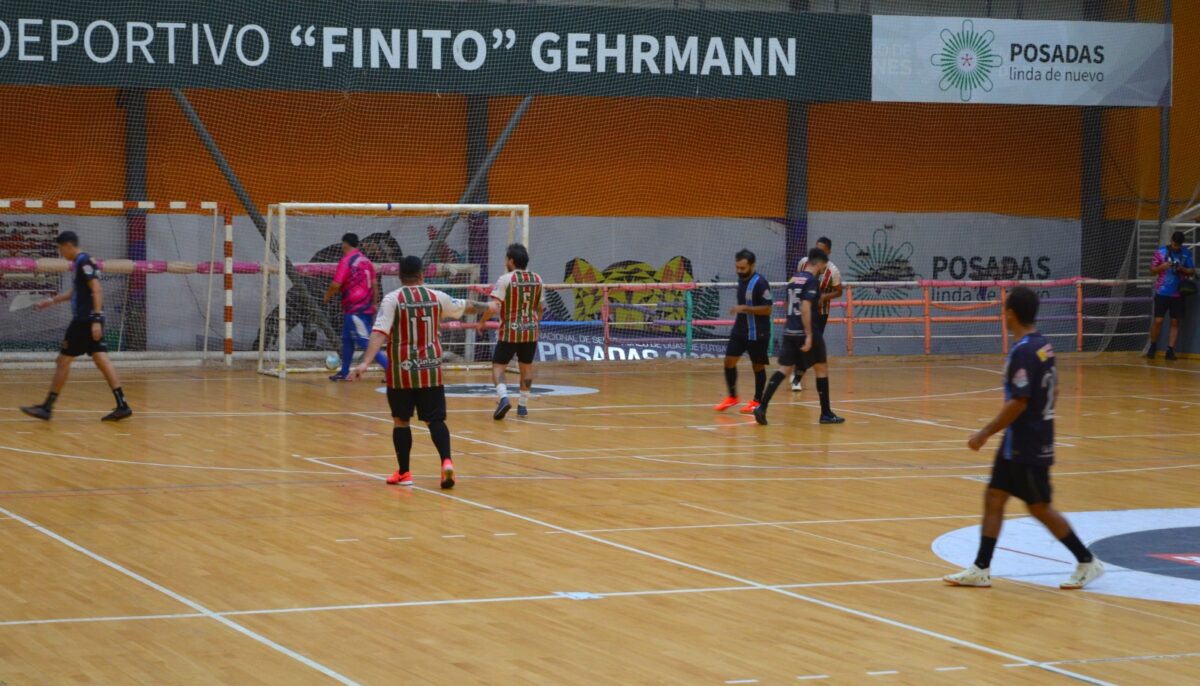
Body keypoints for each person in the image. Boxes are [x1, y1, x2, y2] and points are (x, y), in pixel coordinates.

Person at [944, 286, 1104, 590]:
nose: (1002, 315)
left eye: (1004, 310)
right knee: (994, 496)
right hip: (1018, 441)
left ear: (1011, 314)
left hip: (1026, 443)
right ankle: (981, 567)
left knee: (1039, 506)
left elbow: (1019, 402)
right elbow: (1054, 391)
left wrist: (984, 433)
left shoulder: (1024, 351)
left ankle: (1086, 560)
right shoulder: (1044, 346)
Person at [350, 255, 478, 489]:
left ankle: (405, 472)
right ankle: (446, 461)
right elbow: (467, 305)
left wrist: (365, 363)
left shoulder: (392, 299)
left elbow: (379, 333)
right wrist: (489, 307)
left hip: (402, 372)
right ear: (422, 275)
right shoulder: (436, 297)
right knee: (435, 420)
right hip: (430, 370)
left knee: (401, 421)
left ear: (399, 276)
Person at [20, 232, 132, 422]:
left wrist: (96, 319)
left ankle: (47, 408)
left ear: (69, 245)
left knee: (62, 362)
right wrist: (51, 301)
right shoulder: (81, 263)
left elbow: (97, 289)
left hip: (84, 322)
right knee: (102, 360)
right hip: (90, 320)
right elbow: (77, 292)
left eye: (60, 248)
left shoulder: (83, 261)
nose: (61, 252)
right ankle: (123, 405)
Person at [753, 249, 844, 426]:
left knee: (783, 370)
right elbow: (805, 307)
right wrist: (809, 335)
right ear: (819, 264)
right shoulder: (811, 281)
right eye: (822, 268)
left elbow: (788, 304)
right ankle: (825, 413)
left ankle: (762, 407)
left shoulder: (794, 279)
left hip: (790, 330)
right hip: (805, 329)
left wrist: (790, 324)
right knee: (821, 368)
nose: (821, 271)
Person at [477, 243, 543, 420]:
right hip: (530, 330)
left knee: (499, 366)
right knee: (526, 366)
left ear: (511, 261)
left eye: (507, 258)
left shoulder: (505, 279)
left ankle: (503, 398)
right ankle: (523, 405)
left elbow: (494, 306)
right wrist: (534, 322)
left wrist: (482, 322)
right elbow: (541, 307)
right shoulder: (537, 279)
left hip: (510, 330)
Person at [324, 232, 389, 380]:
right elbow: (374, 284)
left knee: (364, 341)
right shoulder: (366, 261)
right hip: (361, 308)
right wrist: (374, 303)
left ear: (344, 244)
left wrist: (327, 296)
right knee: (347, 340)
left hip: (356, 308)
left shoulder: (346, 261)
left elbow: (336, 283)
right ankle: (344, 371)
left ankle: (391, 370)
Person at [715, 249, 772, 414]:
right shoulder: (741, 281)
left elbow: (768, 309)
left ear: (752, 266)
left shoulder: (761, 283)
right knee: (729, 361)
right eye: (737, 268)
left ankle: (757, 401)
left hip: (758, 332)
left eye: (743, 268)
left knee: (758, 366)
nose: (739, 271)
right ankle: (732, 397)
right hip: (739, 331)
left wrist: (745, 308)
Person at [793, 237, 842, 391]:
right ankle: (794, 371)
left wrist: (824, 297)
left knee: (813, 345)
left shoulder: (833, 271)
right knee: (800, 341)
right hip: (803, 310)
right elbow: (797, 281)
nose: (818, 251)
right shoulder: (803, 262)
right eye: (817, 248)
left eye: (822, 249)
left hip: (820, 313)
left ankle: (797, 377)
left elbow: (839, 291)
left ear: (828, 251)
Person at [1147, 230, 1196, 361]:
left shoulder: (1186, 253)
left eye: (1179, 246)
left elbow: (1192, 271)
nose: (1176, 248)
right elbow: (1152, 270)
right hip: (1162, 291)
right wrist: (1162, 267)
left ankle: (1170, 350)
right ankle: (1153, 345)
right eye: (1175, 245)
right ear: (1171, 241)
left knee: (1175, 321)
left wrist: (1183, 269)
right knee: (1158, 320)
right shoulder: (1161, 252)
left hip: (1178, 293)